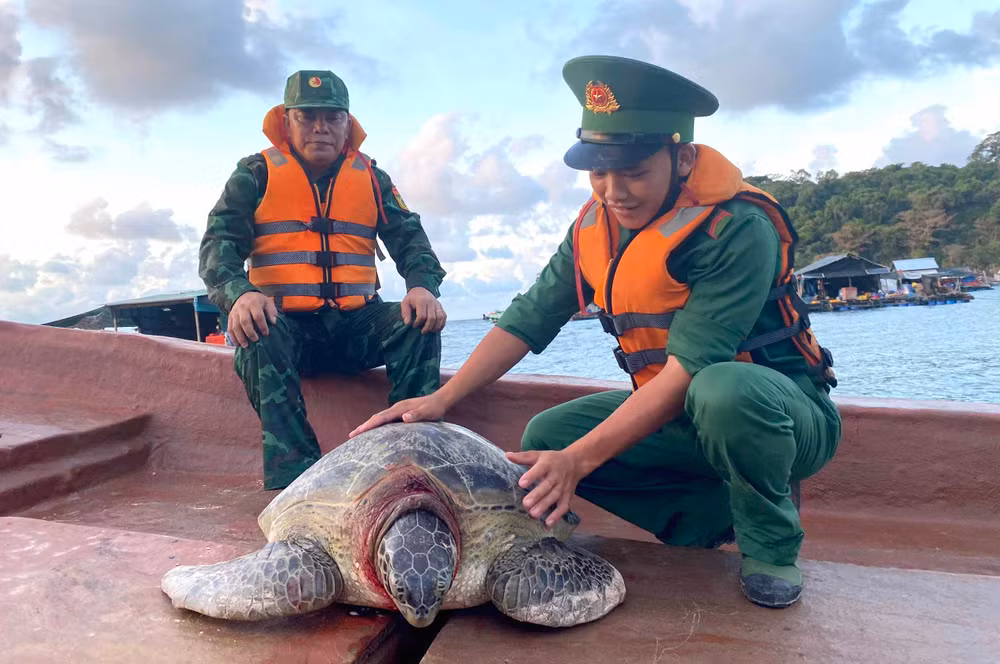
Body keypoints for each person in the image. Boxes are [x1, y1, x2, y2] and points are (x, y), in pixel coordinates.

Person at [351, 55, 841, 609]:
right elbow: (527, 318)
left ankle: (772, 546)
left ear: (681, 158)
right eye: (599, 172)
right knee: (546, 441)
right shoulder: (594, 227)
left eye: (633, 171)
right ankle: (706, 520)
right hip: (683, 416)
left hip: (782, 415)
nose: (614, 190)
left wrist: (579, 462)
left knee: (722, 390)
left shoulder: (736, 230)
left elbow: (690, 371)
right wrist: (442, 399)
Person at [199, 70, 448, 491]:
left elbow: (411, 239)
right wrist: (240, 294)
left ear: (347, 123)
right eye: (307, 116)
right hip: (287, 333)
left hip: (356, 328)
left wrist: (423, 285)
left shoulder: (372, 177)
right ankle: (299, 481)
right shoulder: (254, 174)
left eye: (332, 118)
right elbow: (216, 248)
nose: (320, 127)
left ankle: (409, 459)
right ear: (287, 120)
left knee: (419, 323)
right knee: (257, 333)